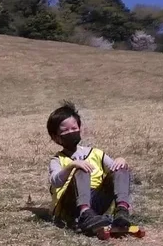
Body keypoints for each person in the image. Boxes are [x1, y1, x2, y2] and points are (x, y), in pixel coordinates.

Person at [47, 101, 135, 235]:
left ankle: (122, 211)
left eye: (74, 128)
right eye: (65, 131)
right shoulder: (57, 160)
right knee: (81, 168)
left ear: (80, 128)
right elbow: (55, 181)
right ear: (55, 137)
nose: (71, 132)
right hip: (70, 206)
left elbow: (117, 175)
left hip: (97, 202)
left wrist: (121, 161)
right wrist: (72, 166)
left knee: (121, 169)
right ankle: (84, 213)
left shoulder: (97, 153)